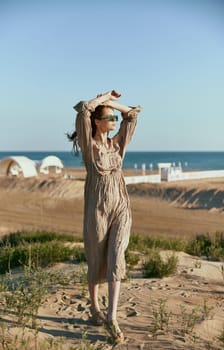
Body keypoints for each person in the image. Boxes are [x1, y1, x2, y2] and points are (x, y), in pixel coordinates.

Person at [68, 90, 141, 343]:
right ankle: (94, 308)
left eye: (114, 119)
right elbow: (84, 110)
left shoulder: (118, 143)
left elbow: (131, 115)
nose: (114, 122)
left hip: (121, 206)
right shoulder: (90, 147)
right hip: (97, 210)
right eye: (109, 118)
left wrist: (112, 104)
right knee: (97, 257)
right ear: (97, 122)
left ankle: (111, 316)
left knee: (116, 257)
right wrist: (101, 99)